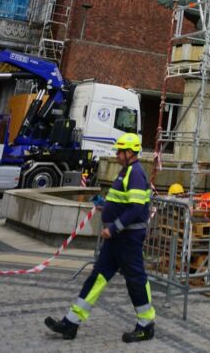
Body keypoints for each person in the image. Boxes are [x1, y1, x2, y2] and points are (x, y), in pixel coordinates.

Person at [45, 132, 155, 343]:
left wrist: (113, 228)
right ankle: (71, 322)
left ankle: (146, 325)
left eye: (120, 151)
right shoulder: (126, 171)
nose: (117, 154)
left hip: (128, 239)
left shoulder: (135, 173)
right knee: (97, 278)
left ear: (130, 153)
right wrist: (105, 205)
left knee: (136, 280)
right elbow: (123, 202)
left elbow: (136, 208)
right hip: (117, 240)